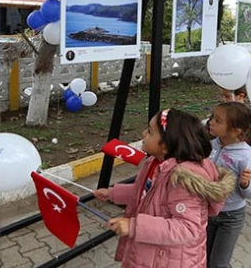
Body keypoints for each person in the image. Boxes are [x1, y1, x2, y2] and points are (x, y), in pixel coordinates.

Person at [94, 109, 234, 268]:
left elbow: (187, 228)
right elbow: (146, 192)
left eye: (150, 131)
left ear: (166, 146)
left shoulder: (183, 179)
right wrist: (113, 193)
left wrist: (134, 226)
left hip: (169, 260)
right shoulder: (155, 162)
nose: (144, 133)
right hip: (151, 252)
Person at [206, 102, 251, 268]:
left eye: (218, 120)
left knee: (218, 263)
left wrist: (245, 184)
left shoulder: (245, 156)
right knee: (203, 256)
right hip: (208, 211)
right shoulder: (211, 145)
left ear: (235, 131)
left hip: (231, 217)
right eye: (212, 117)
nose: (211, 122)